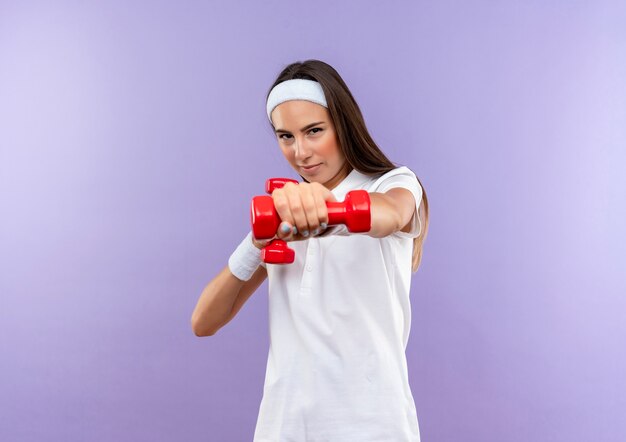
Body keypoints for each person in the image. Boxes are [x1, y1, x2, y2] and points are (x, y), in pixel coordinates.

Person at [191, 59, 430, 441]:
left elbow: (390, 213)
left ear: (343, 125)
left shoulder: (392, 184)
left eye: (314, 131)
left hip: (375, 425)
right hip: (285, 427)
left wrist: (325, 209)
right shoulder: (284, 212)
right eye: (286, 136)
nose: (300, 152)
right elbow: (203, 321)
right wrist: (258, 241)